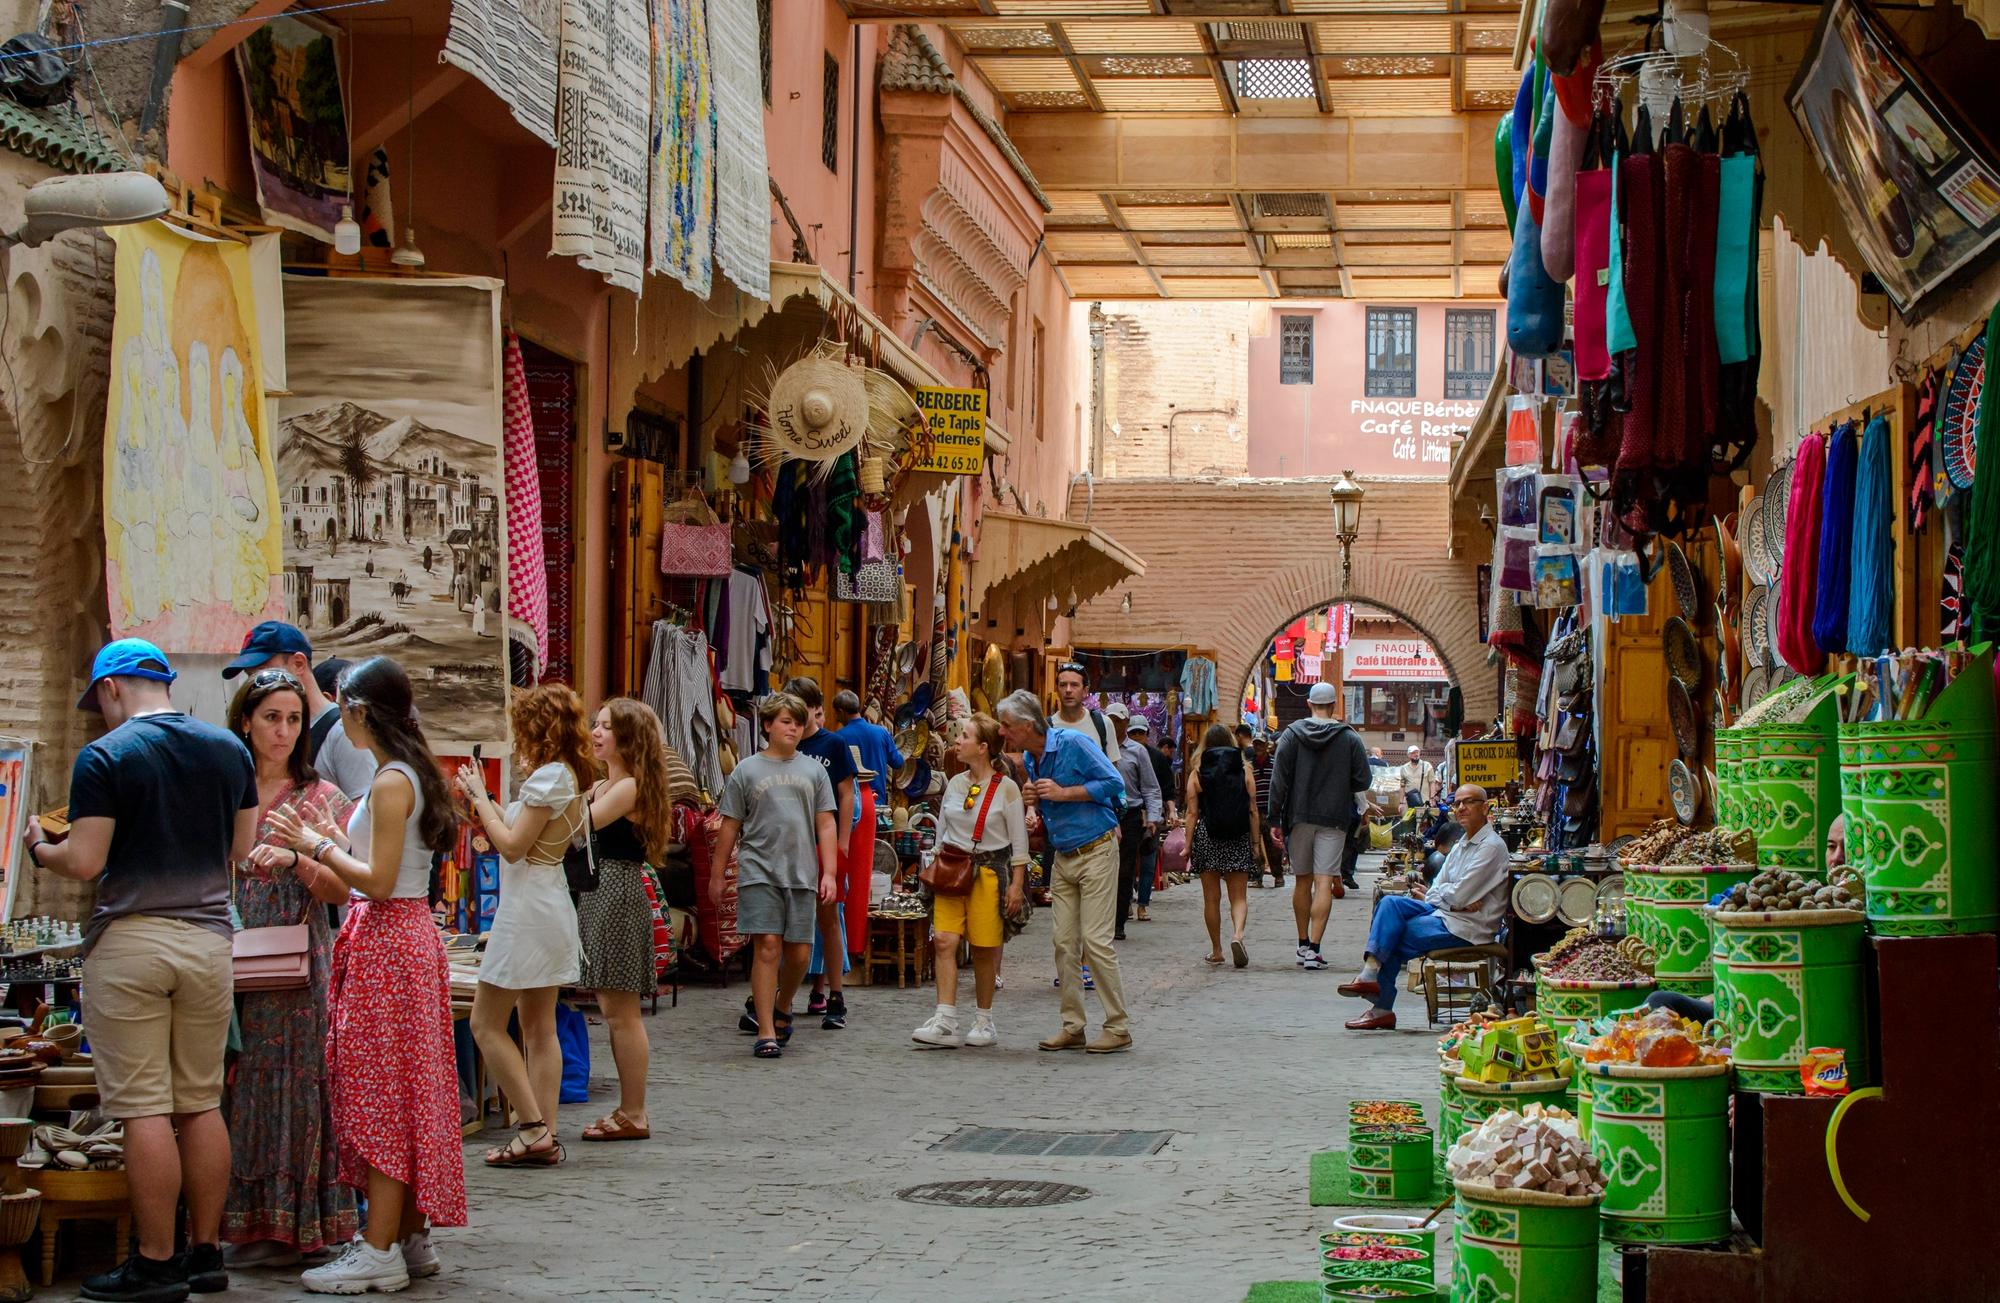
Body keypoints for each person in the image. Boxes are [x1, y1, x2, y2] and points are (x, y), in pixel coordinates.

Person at [24, 640, 257, 1301]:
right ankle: (206, 1255)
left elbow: (86, 860)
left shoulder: (107, 755)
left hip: (131, 942)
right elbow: (240, 847)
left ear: (111, 688)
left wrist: (40, 848)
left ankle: (155, 1263)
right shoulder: (228, 750)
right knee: (200, 1101)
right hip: (208, 941)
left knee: (144, 1106)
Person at [262, 656, 465, 1293]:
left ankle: (379, 1248)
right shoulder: (404, 772)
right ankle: (406, 1236)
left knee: (383, 1093)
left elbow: (378, 882)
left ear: (359, 711)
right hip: (399, 937)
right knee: (404, 1089)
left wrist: (316, 846)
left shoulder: (391, 780)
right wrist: (332, 837)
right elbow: (387, 862)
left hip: (388, 940)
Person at [222, 670, 358, 1266]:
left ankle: (302, 1226)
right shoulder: (225, 791)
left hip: (299, 965)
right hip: (229, 955)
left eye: (294, 719)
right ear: (245, 721)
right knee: (237, 1084)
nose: (283, 731)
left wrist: (297, 856)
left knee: (299, 1087)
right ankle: (241, 1224)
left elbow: (344, 891)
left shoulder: (321, 796)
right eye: (272, 717)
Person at [455, 685, 590, 1168]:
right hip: (542, 903)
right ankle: (542, 1132)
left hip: (528, 911)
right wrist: (487, 800)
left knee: (486, 1022)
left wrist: (479, 798)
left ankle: (533, 1127)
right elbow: (520, 837)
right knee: (537, 1027)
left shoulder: (551, 776)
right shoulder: (564, 774)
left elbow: (512, 847)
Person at [997, 690, 1132, 1054]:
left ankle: (1118, 1026)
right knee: (1063, 942)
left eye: (1007, 726)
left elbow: (1114, 784)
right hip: (1064, 855)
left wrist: (1062, 792)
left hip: (1096, 849)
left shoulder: (1073, 743)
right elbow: (1049, 803)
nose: (1002, 732)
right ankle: (1073, 1026)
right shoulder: (1031, 758)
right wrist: (1035, 801)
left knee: (1096, 941)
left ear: (1028, 725)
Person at [713, 694, 840, 1059]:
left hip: (801, 872)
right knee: (767, 945)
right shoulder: (746, 770)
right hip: (759, 869)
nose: (793, 728)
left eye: (798, 723)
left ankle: (783, 1005)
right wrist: (718, 875)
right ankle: (766, 1029)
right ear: (767, 725)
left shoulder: (814, 771)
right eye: (786, 721)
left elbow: (826, 824)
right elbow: (730, 824)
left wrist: (829, 872)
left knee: (799, 954)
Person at [577, 698, 676, 1143]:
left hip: (617, 894)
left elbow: (574, 827)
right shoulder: (604, 785)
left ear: (629, 738)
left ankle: (634, 1111)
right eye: (596, 724)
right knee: (612, 1009)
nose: (596, 733)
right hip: (600, 894)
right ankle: (627, 1109)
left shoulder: (628, 788)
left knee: (622, 1013)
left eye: (606, 727)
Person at [1339, 784, 1509, 1030]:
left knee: (1393, 935)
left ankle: (1380, 1004)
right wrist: (1450, 899)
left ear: (1485, 808)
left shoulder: (1491, 846)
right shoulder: (1462, 844)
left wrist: (1450, 898)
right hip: (1448, 913)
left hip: (1468, 927)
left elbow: (1459, 894)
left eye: (1469, 802)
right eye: (1457, 803)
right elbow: (1441, 887)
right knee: (1389, 903)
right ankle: (1370, 975)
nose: (1461, 808)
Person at [911, 715, 1030, 1049]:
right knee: (944, 941)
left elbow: (1019, 843)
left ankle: (984, 1020)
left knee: (983, 948)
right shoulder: (954, 783)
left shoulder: (1007, 788)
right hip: (951, 870)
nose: (957, 741)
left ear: (983, 747)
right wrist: (933, 862)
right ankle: (945, 1018)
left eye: (964, 736)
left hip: (988, 873)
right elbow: (943, 829)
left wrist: (1016, 885)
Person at [1267, 681, 1371, 970]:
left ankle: (1302, 945)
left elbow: (1278, 779)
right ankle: (1314, 949)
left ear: (1309, 703)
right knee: (1324, 881)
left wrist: (1273, 818)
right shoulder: (1349, 738)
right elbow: (1364, 779)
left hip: (1298, 816)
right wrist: (1341, 782)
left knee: (1302, 880)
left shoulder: (1291, 735)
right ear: (1334, 705)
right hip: (1334, 818)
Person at [222, 621, 375, 799]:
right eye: (251, 676)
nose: (257, 685)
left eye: (265, 672)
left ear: (299, 664)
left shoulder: (342, 733)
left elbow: (364, 812)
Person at [783, 678, 858, 1030]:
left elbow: (846, 793)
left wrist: (843, 841)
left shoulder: (833, 744)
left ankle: (835, 994)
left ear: (815, 707)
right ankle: (779, 994)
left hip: (823, 842)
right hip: (790, 845)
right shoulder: (785, 743)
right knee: (784, 920)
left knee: (828, 918)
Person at [1185, 723, 1259, 969]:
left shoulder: (1197, 773)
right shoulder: (1244, 770)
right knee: (1238, 896)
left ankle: (1217, 950)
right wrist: (1255, 843)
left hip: (1208, 835)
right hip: (1237, 834)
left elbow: (1192, 814)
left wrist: (1187, 845)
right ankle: (1237, 935)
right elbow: (1252, 810)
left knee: (1211, 899)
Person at [829, 690, 894, 964]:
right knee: (871, 872)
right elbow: (898, 762)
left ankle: (851, 943)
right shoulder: (880, 732)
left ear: (841, 713)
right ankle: (863, 939)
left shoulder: (838, 738)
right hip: (879, 807)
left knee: (852, 876)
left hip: (852, 806)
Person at [1106, 703, 1162, 941]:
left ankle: (1118, 922)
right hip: (1103, 813)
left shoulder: (1137, 752)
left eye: (1118, 720)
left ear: (1126, 723)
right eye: (1110, 720)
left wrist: (1153, 818)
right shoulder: (1098, 748)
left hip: (1129, 815)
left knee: (1125, 869)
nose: (1114, 724)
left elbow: (1150, 787)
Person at [1130, 716, 1175, 914]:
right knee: (1127, 859)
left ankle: (1142, 904)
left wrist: (1171, 810)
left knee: (1148, 859)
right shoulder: (1121, 755)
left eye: (1140, 733)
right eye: (1133, 733)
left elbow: (1167, 788)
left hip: (1151, 814)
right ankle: (1126, 901)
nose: (1137, 737)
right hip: (1129, 813)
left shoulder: (1157, 758)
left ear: (1147, 734)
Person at [1242, 729, 1284, 889]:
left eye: (1261, 744)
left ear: (1266, 745)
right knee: (1254, 844)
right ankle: (1257, 876)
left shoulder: (1274, 764)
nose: (1258, 747)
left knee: (1272, 844)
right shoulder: (1249, 766)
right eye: (1256, 744)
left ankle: (1278, 875)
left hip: (1270, 810)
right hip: (1253, 809)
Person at [1048, 660, 1117, 757]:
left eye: (1074, 685)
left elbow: (1112, 766)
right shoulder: (1047, 728)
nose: (1068, 690)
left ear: (1085, 691)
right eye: (1063, 685)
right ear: (1057, 690)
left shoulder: (1103, 724)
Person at [1399, 746, 1438, 815]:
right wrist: (1401, 802)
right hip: (1409, 802)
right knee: (1409, 820)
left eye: (1417, 752)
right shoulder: (1404, 768)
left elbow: (1432, 783)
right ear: (1408, 755)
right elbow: (1402, 786)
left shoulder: (1427, 766)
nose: (1416, 754)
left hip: (1424, 801)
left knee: (1423, 820)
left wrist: (1432, 798)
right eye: (1413, 753)